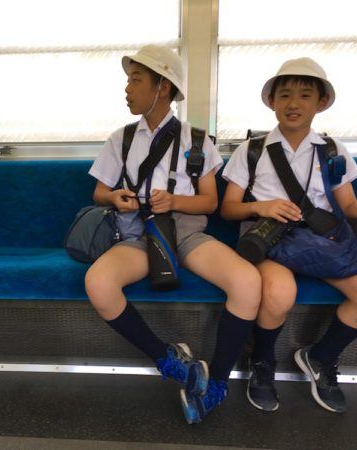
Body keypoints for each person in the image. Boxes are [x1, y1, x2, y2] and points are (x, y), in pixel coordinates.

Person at [85, 45, 262, 424]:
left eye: (135, 80)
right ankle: (169, 361)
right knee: (98, 283)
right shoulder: (121, 139)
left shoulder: (197, 142)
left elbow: (210, 203)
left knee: (248, 283)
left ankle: (214, 383)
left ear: (162, 87)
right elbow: (99, 192)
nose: (127, 89)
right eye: (128, 81)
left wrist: (176, 201)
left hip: (187, 236)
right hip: (138, 236)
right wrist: (115, 196)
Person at [221, 57, 357, 413]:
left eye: (304, 95)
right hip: (273, 244)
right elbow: (228, 209)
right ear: (272, 102)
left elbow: (347, 206)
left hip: (322, 243)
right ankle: (263, 363)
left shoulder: (332, 150)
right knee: (280, 292)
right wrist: (261, 207)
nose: (293, 103)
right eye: (284, 95)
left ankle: (320, 357)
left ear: (321, 103)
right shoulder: (252, 150)